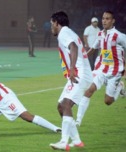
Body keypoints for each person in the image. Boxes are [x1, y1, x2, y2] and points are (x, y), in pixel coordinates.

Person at [49, 11, 93, 151]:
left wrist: (72, 69)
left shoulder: (64, 33)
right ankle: (76, 140)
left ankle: (64, 141)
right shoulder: (69, 32)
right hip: (80, 73)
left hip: (80, 74)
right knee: (61, 107)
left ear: (57, 23)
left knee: (66, 104)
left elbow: (73, 46)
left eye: (52, 24)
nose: (51, 27)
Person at [75, 10, 126, 127]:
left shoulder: (118, 36)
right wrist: (81, 59)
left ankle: (120, 86)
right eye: (103, 18)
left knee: (108, 101)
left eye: (107, 18)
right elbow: (93, 49)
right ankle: (78, 121)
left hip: (115, 71)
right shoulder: (100, 34)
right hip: (101, 69)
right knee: (89, 90)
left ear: (113, 21)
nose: (104, 20)